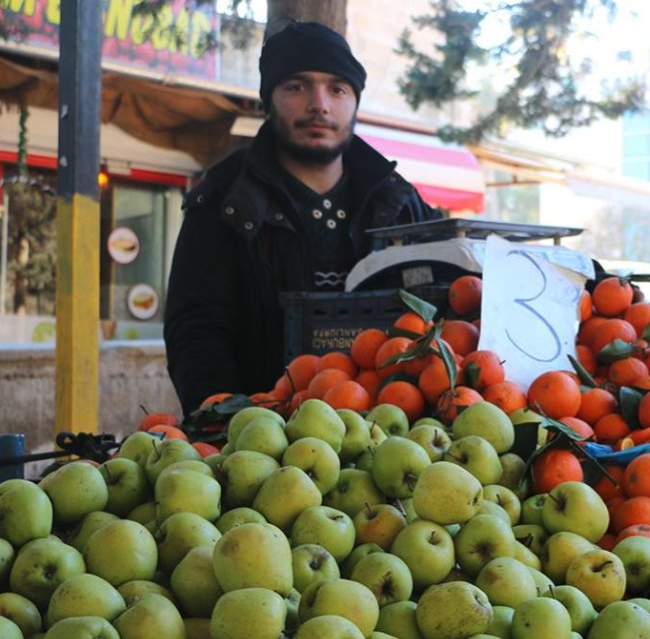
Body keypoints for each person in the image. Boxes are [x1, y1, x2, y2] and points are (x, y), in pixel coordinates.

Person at [164, 22, 442, 413]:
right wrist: (228, 427)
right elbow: (196, 332)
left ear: (355, 101)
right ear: (269, 100)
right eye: (297, 86)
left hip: (394, 441)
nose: (320, 104)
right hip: (264, 447)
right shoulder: (223, 203)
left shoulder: (400, 202)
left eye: (337, 88)